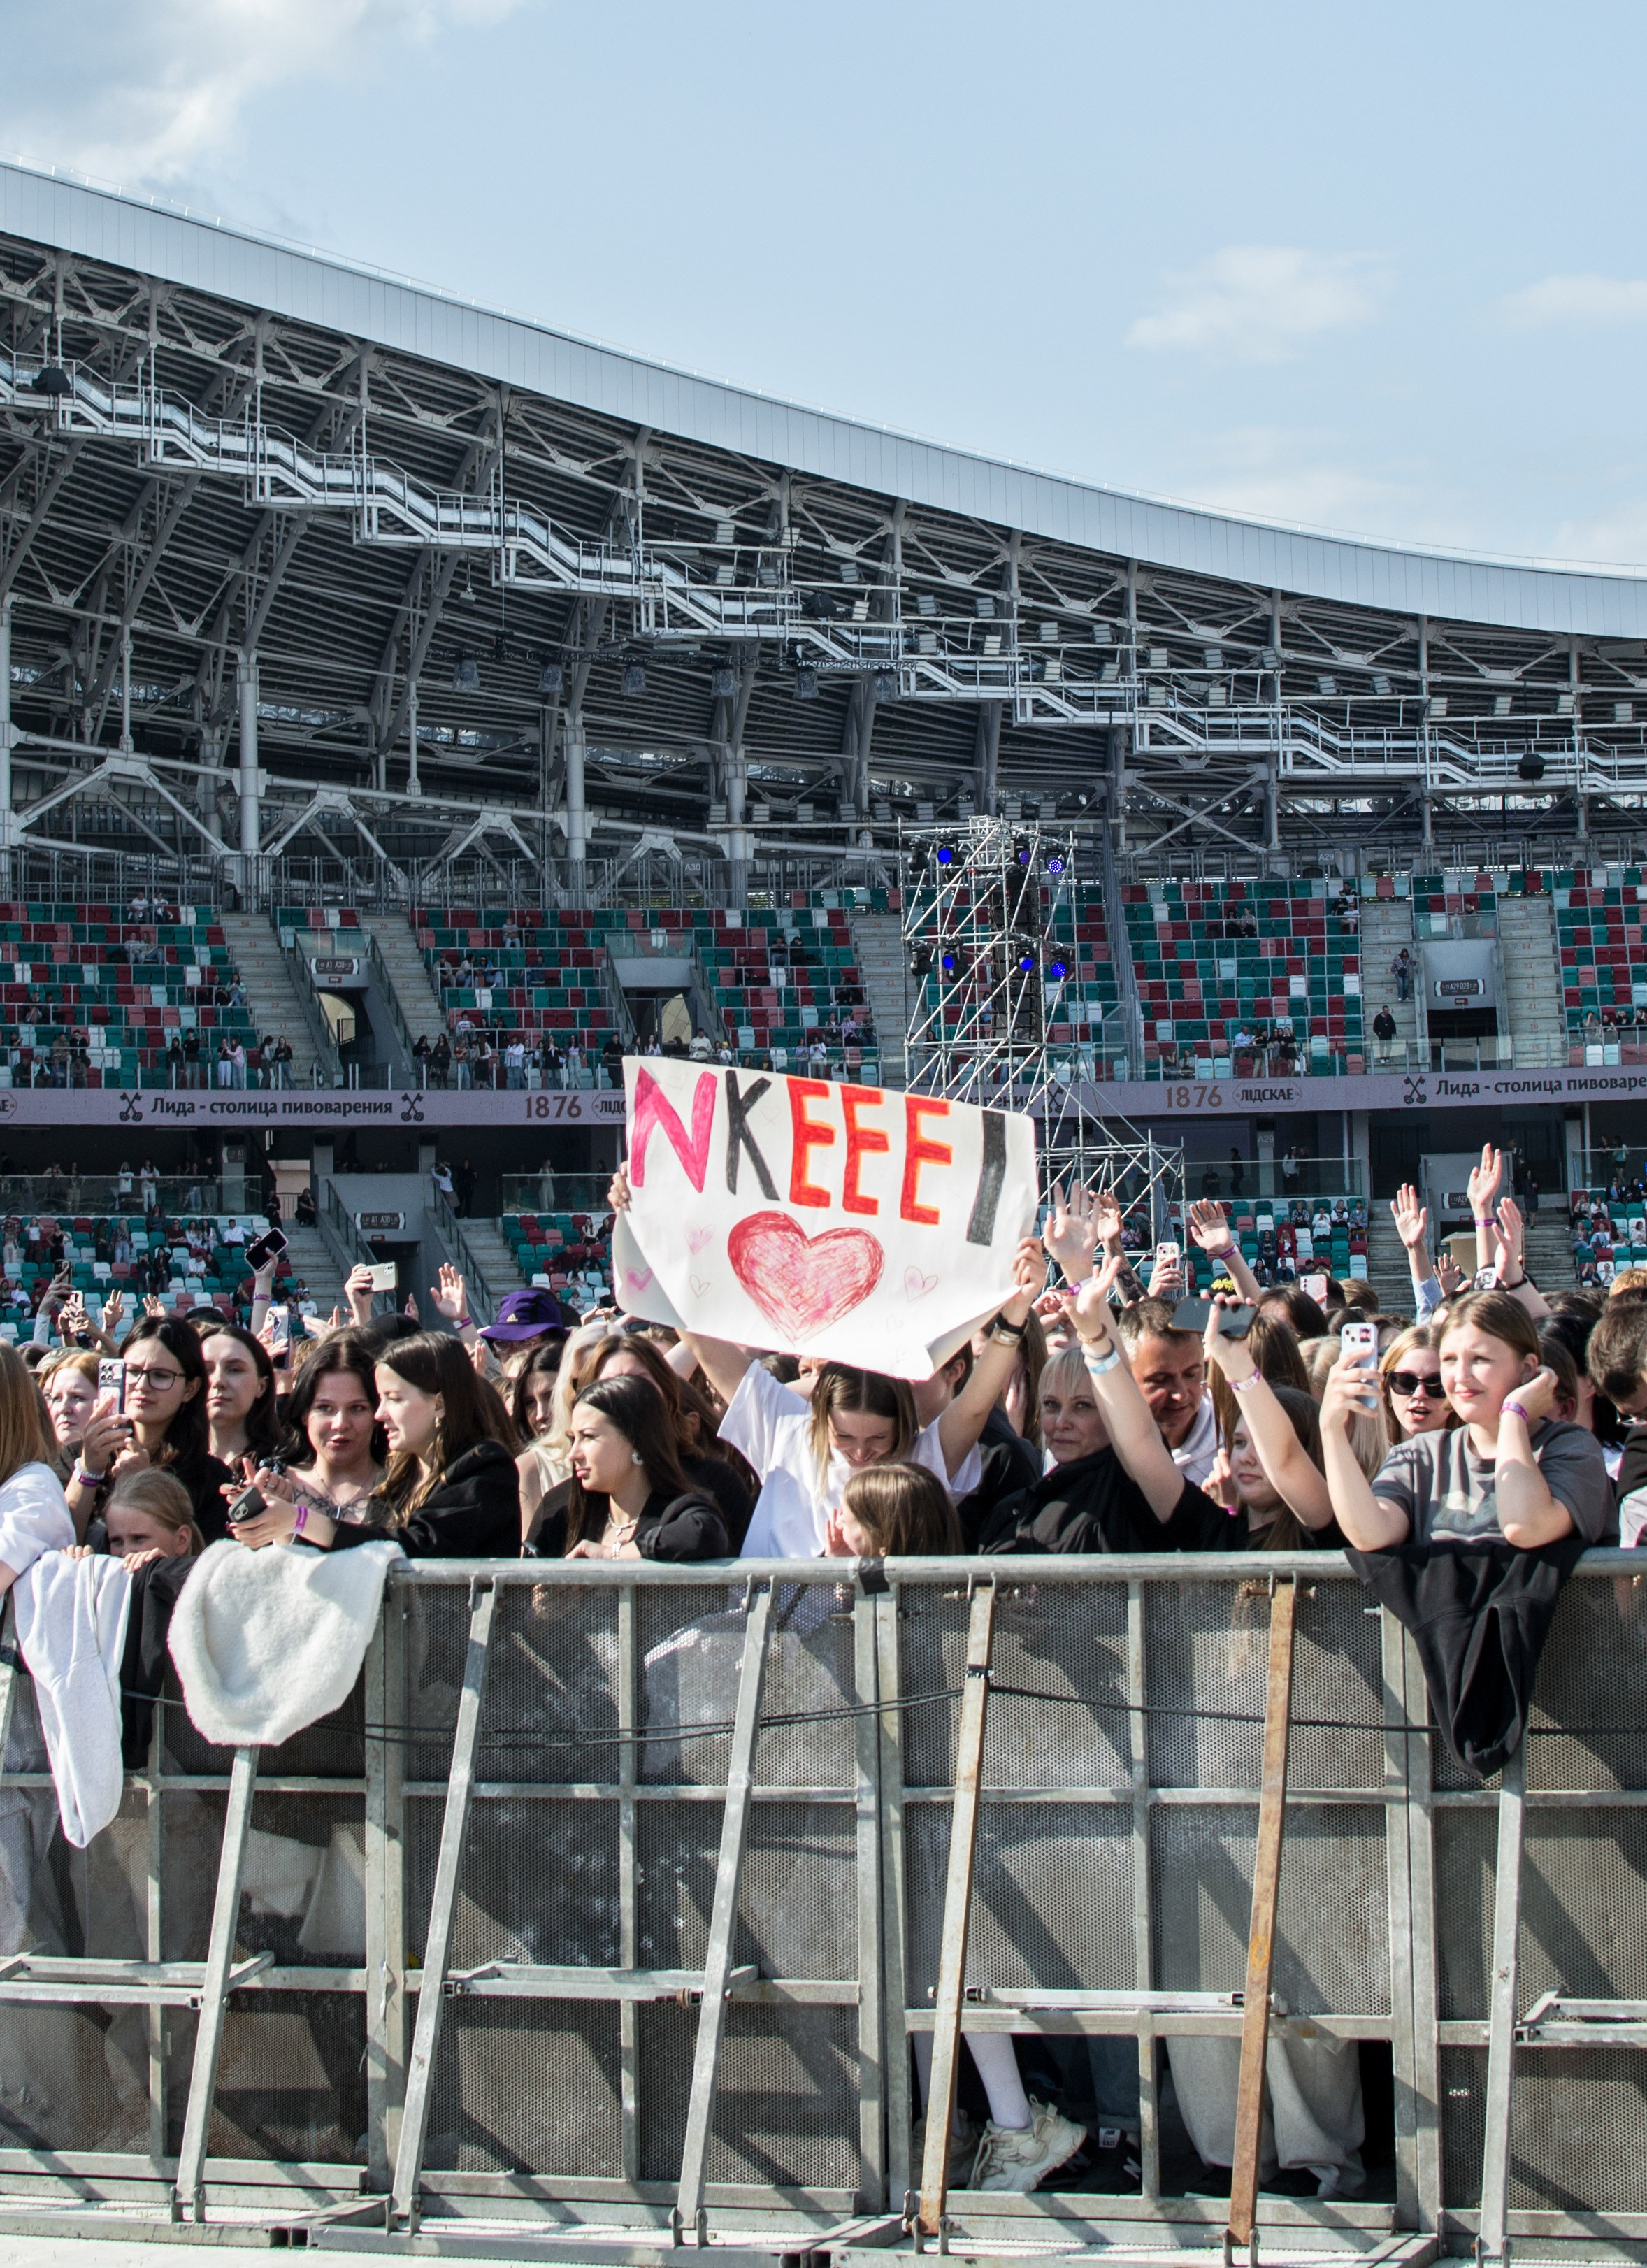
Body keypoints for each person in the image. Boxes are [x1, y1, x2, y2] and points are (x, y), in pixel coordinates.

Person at [606, 1163, 1044, 1558]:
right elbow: (702, 1341)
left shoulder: (923, 1458)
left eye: (878, 1440)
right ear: (819, 1417)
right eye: (844, 1436)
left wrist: (1014, 1317)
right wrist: (646, 1223)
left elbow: (973, 1407)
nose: (859, 1452)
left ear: (906, 1426)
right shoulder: (783, 1429)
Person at [1322, 1292, 1612, 1554]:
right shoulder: (1421, 1454)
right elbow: (1372, 1534)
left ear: (1526, 1369)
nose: (1461, 1376)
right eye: (1449, 1360)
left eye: (1480, 1359)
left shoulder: (1571, 1447)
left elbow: (1525, 1527)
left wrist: (1513, 1416)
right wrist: (1331, 1429)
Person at [227, 1332, 520, 1557]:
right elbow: (355, 1560)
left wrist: (300, 1518)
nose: (380, 1414)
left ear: (440, 1404)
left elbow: (414, 1548)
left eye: (394, 1399)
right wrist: (284, 1527)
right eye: (325, 1408)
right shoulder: (403, 1474)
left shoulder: (486, 1467)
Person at [67, 1316, 234, 1545]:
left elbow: (200, 1562)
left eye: (160, 1376)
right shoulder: (74, 1456)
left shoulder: (212, 1478)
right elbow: (59, 1543)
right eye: (133, 1372)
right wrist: (89, 1469)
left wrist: (151, 1487)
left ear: (190, 1388)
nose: (142, 1386)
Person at [526, 1374, 728, 1561]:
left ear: (636, 1441)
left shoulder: (679, 1513)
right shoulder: (563, 1518)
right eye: (573, 1439)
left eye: (588, 1437)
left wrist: (614, 1553)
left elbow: (703, 1533)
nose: (573, 1454)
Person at [252, 1333, 387, 1523]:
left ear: (377, 1413)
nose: (340, 1424)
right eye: (325, 1408)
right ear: (304, 1413)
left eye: (357, 1408)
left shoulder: (402, 1487)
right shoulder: (271, 1482)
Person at [199, 1322, 287, 1472]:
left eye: (234, 1370)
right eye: (207, 1370)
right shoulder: (171, 1465)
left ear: (262, 1386)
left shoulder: (286, 1468)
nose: (218, 1381)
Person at [1379, 1324, 1453, 1440]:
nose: (1420, 1394)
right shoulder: (1361, 1456)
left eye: (1435, 1383)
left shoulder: (1480, 1456)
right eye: (1405, 1381)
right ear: (1387, 1388)